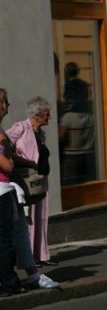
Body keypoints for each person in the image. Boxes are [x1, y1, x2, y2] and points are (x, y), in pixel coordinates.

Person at [0, 89, 59, 290]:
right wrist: (17, 160)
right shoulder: (17, 129)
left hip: (23, 185)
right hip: (11, 186)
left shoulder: (37, 132)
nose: (8, 107)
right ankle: (14, 278)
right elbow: (7, 156)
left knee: (26, 229)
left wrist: (30, 164)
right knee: (13, 234)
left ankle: (34, 269)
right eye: (5, 103)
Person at [7, 97, 54, 266]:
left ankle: (40, 255)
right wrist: (20, 161)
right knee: (29, 218)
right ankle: (27, 258)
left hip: (40, 179)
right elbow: (5, 144)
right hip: (26, 180)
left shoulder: (41, 133)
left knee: (41, 217)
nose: (49, 118)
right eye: (47, 115)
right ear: (37, 115)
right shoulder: (21, 128)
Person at [59, 62, 95, 185]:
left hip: (72, 157)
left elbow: (61, 137)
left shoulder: (67, 117)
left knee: (71, 185)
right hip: (89, 155)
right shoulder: (91, 117)